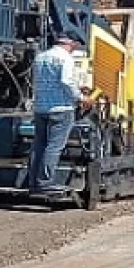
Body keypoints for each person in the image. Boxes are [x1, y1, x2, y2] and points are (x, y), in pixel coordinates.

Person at [28, 34, 92, 195]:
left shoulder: (40, 57)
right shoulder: (65, 59)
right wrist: (81, 97)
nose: (75, 49)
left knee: (39, 145)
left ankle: (33, 181)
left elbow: (37, 81)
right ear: (71, 43)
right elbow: (66, 82)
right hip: (61, 109)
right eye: (75, 45)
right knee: (54, 146)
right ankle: (45, 183)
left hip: (41, 108)